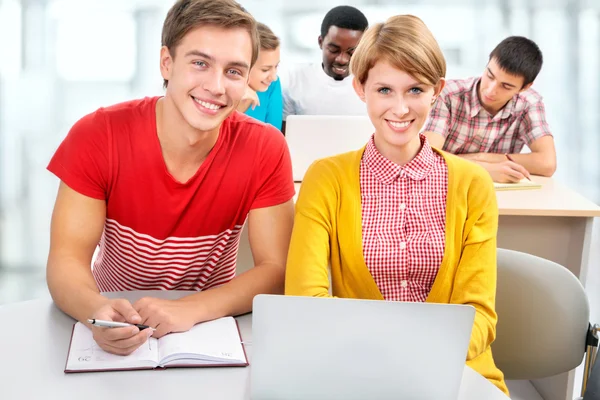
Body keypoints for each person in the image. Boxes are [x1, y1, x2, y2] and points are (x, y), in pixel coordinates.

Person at [46, 0, 295, 356]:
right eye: (200, 63)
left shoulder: (266, 148)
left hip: (209, 327)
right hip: (111, 315)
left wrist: (190, 309)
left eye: (234, 72)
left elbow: (277, 269)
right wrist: (96, 312)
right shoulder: (97, 135)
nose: (217, 86)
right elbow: (66, 260)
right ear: (167, 62)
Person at [285, 14, 509, 395]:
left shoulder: (473, 185)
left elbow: (479, 315)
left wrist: (412, 360)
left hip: (455, 369)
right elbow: (306, 302)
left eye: (416, 90)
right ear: (361, 88)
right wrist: (380, 362)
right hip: (355, 370)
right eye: (385, 90)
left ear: (437, 90)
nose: (401, 109)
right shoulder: (326, 178)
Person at [422, 36, 556, 183]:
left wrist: (483, 158)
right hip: (447, 185)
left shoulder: (529, 103)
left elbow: (547, 163)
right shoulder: (448, 94)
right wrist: (484, 169)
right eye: (490, 76)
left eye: (506, 86)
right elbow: (427, 157)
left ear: (524, 87)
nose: (491, 90)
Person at [281, 5, 368, 132]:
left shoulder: (373, 83)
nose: (342, 59)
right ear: (320, 42)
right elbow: (284, 138)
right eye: (333, 50)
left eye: (352, 52)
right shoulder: (295, 80)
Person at [237, 22, 283, 131]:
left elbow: (274, 137)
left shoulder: (273, 84)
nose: (273, 77)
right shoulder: (222, 88)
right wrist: (236, 111)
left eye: (276, 66)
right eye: (265, 70)